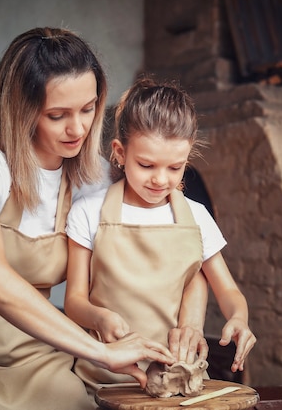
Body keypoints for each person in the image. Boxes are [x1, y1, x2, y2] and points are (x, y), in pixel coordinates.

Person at [0, 28, 177, 410]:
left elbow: (185, 240)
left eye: (89, 108)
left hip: (36, 358)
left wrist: (187, 324)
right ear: (22, 109)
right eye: (58, 115)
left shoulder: (93, 178)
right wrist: (98, 352)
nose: (78, 128)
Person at [65, 77, 257, 395]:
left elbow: (228, 290)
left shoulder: (196, 216)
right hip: (100, 375)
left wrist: (238, 317)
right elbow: (73, 301)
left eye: (174, 168)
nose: (159, 179)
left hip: (172, 376)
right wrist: (100, 318)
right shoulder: (88, 211)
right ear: (120, 153)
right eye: (146, 165)